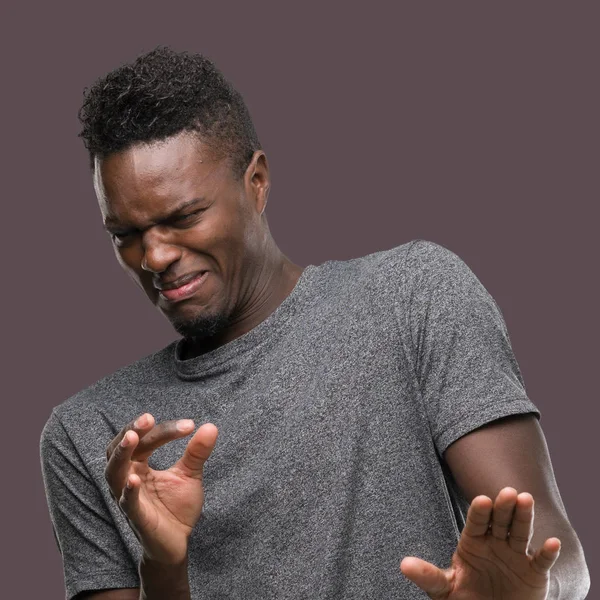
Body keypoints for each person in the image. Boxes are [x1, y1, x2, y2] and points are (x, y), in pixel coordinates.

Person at [40, 46, 590, 600]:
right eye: (125, 235)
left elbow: (554, 555)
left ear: (256, 182)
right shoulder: (92, 435)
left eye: (183, 217)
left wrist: (532, 594)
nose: (154, 257)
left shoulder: (411, 299)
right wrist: (162, 565)